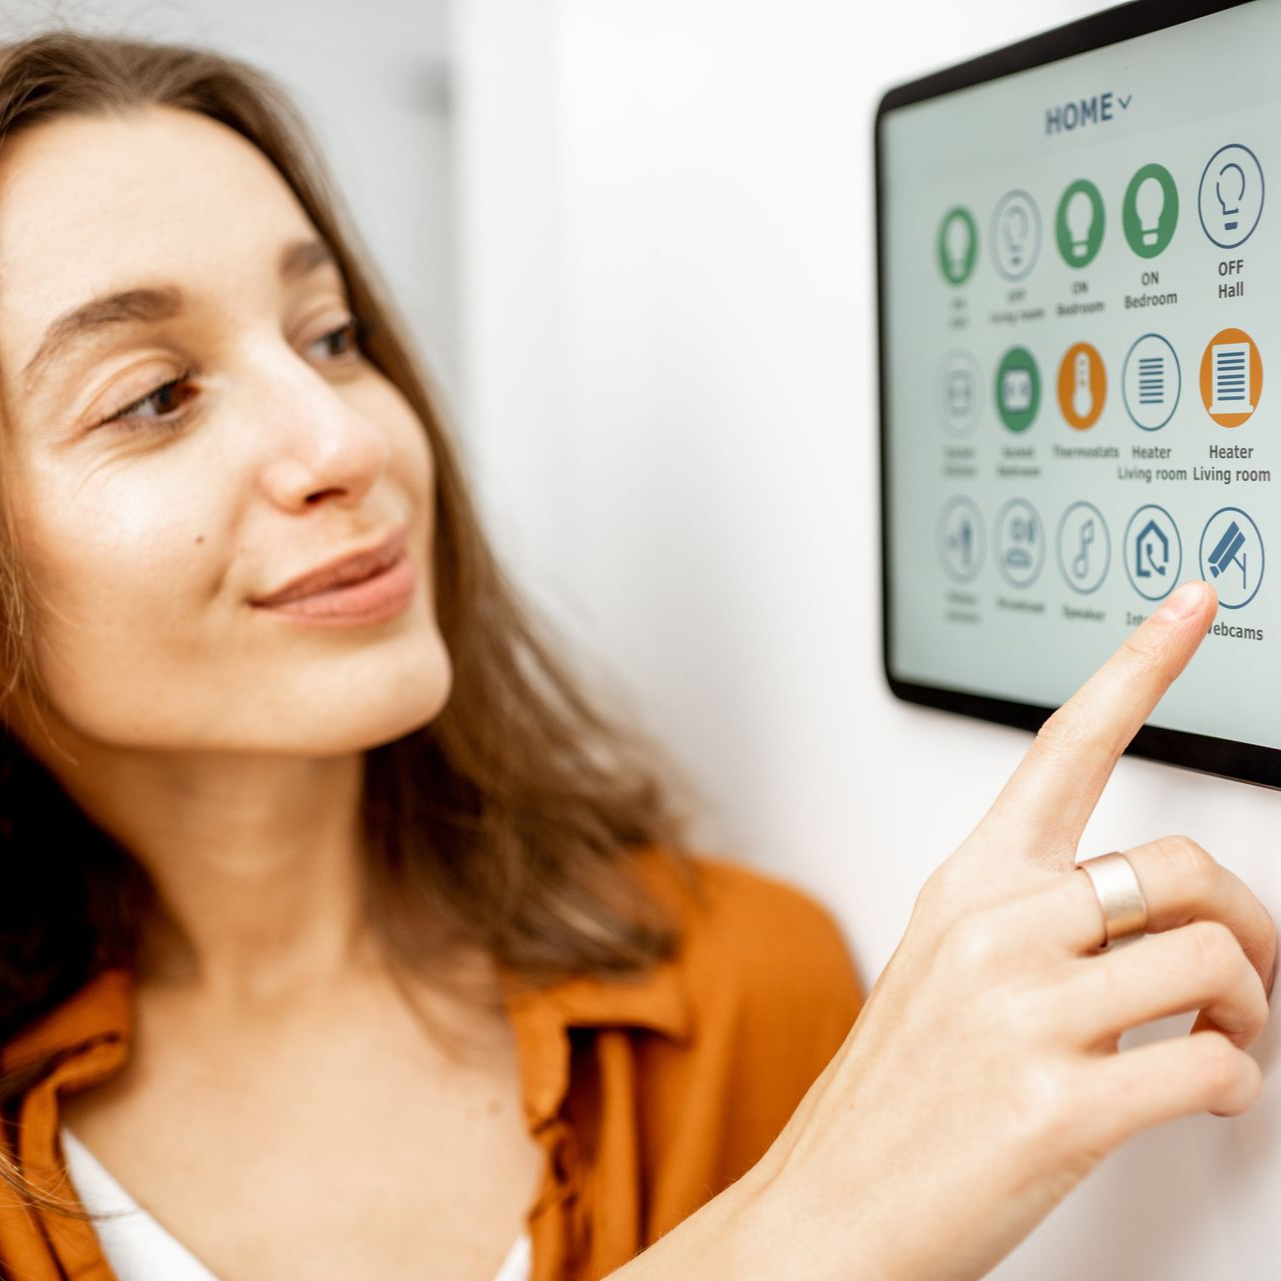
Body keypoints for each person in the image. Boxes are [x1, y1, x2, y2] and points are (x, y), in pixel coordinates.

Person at [0, 27, 1270, 1281]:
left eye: (332, 336)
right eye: (153, 395)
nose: (342, 442)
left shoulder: (741, 988)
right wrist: (803, 1228)